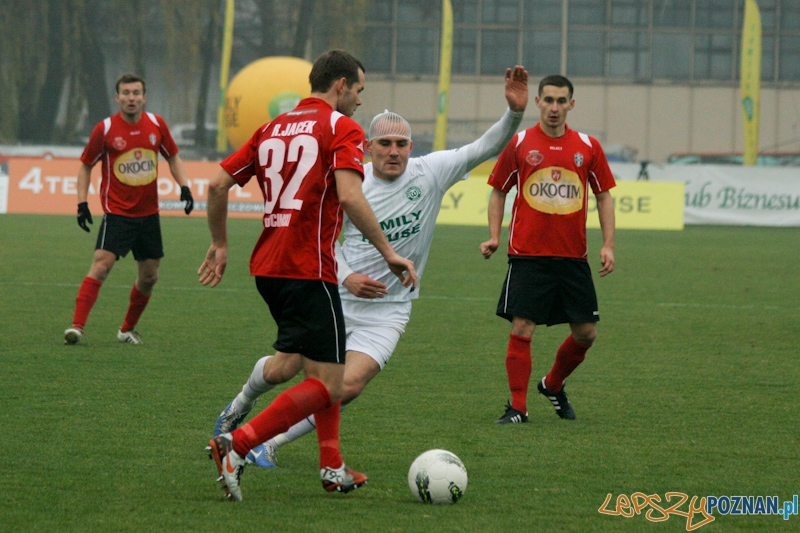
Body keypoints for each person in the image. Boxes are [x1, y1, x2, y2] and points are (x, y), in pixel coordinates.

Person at [227, 65, 529, 470]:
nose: (394, 151)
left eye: (401, 144)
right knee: (283, 369)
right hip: (336, 296)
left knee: (347, 386)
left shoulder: (432, 172)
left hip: (389, 309)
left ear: (411, 146)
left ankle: (271, 443)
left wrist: (513, 114)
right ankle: (240, 404)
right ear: (368, 147)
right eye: (384, 143)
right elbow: (323, 240)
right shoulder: (350, 178)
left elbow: (483, 147)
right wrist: (346, 275)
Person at [200, 49, 417, 502]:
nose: (359, 100)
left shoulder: (270, 127)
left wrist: (220, 244)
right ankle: (236, 446)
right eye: (358, 89)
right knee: (328, 384)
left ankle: (332, 467)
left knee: (323, 367)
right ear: (340, 85)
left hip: (268, 267)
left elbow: (218, 184)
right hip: (309, 268)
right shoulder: (341, 127)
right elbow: (351, 196)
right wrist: (389, 252)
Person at [480, 74, 616, 424]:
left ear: (571, 105)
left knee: (586, 333)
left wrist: (609, 245)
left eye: (561, 101)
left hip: (572, 257)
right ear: (538, 102)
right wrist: (494, 236)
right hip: (527, 256)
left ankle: (553, 384)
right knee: (522, 327)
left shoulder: (588, 146)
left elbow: (603, 196)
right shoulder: (521, 143)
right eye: (549, 100)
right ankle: (518, 408)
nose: (554, 107)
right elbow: (498, 189)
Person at [64, 73, 193, 346]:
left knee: (149, 276)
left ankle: (126, 330)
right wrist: (81, 203)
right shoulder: (106, 129)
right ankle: (77, 327)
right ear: (117, 97)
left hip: (149, 216)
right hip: (118, 214)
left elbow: (173, 156)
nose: (131, 98)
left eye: (136, 93)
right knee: (101, 265)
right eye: (126, 93)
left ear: (144, 97)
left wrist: (185, 187)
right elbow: (86, 165)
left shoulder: (157, 124)